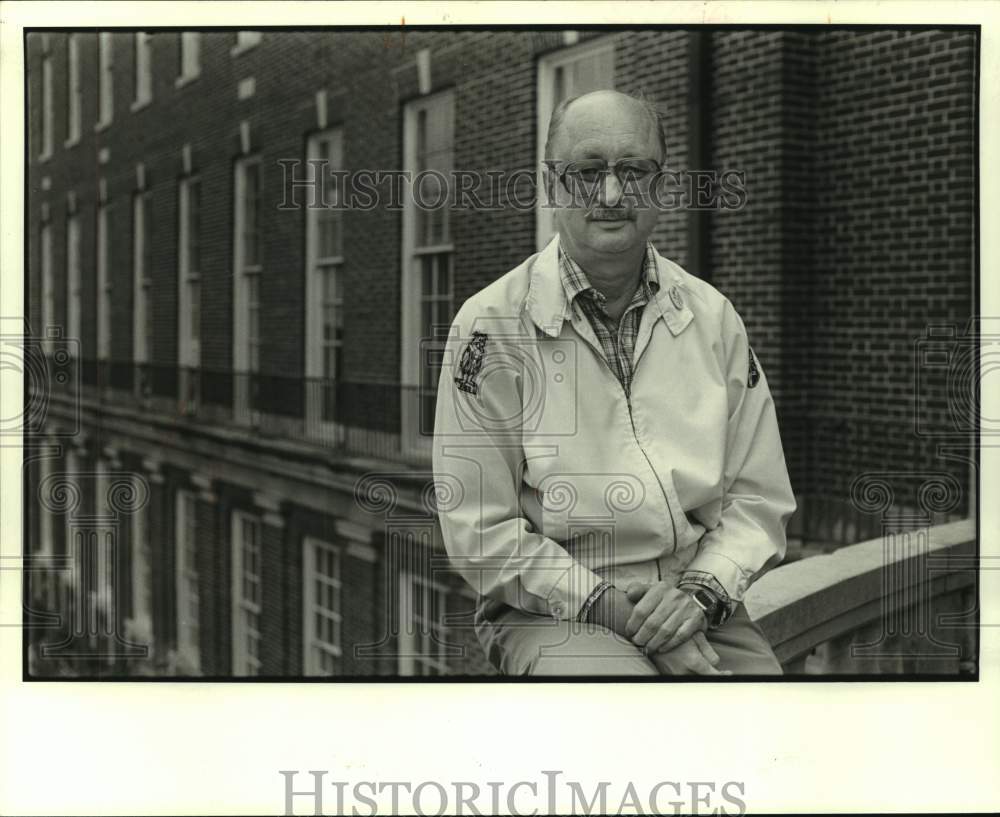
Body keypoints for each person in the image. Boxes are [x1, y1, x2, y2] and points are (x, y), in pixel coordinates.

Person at [432, 90, 796, 675]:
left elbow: (759, 497)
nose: (611, 194)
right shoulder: (489, 327)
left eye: (633, 171)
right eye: (587, 171)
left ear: (660, 187)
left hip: (692, 597)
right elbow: (479, 530)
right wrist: (620, 613)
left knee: (769, 725)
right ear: (553, 185)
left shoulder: (712, 317)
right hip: (549, 607)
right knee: (620, 711)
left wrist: (699, 596)